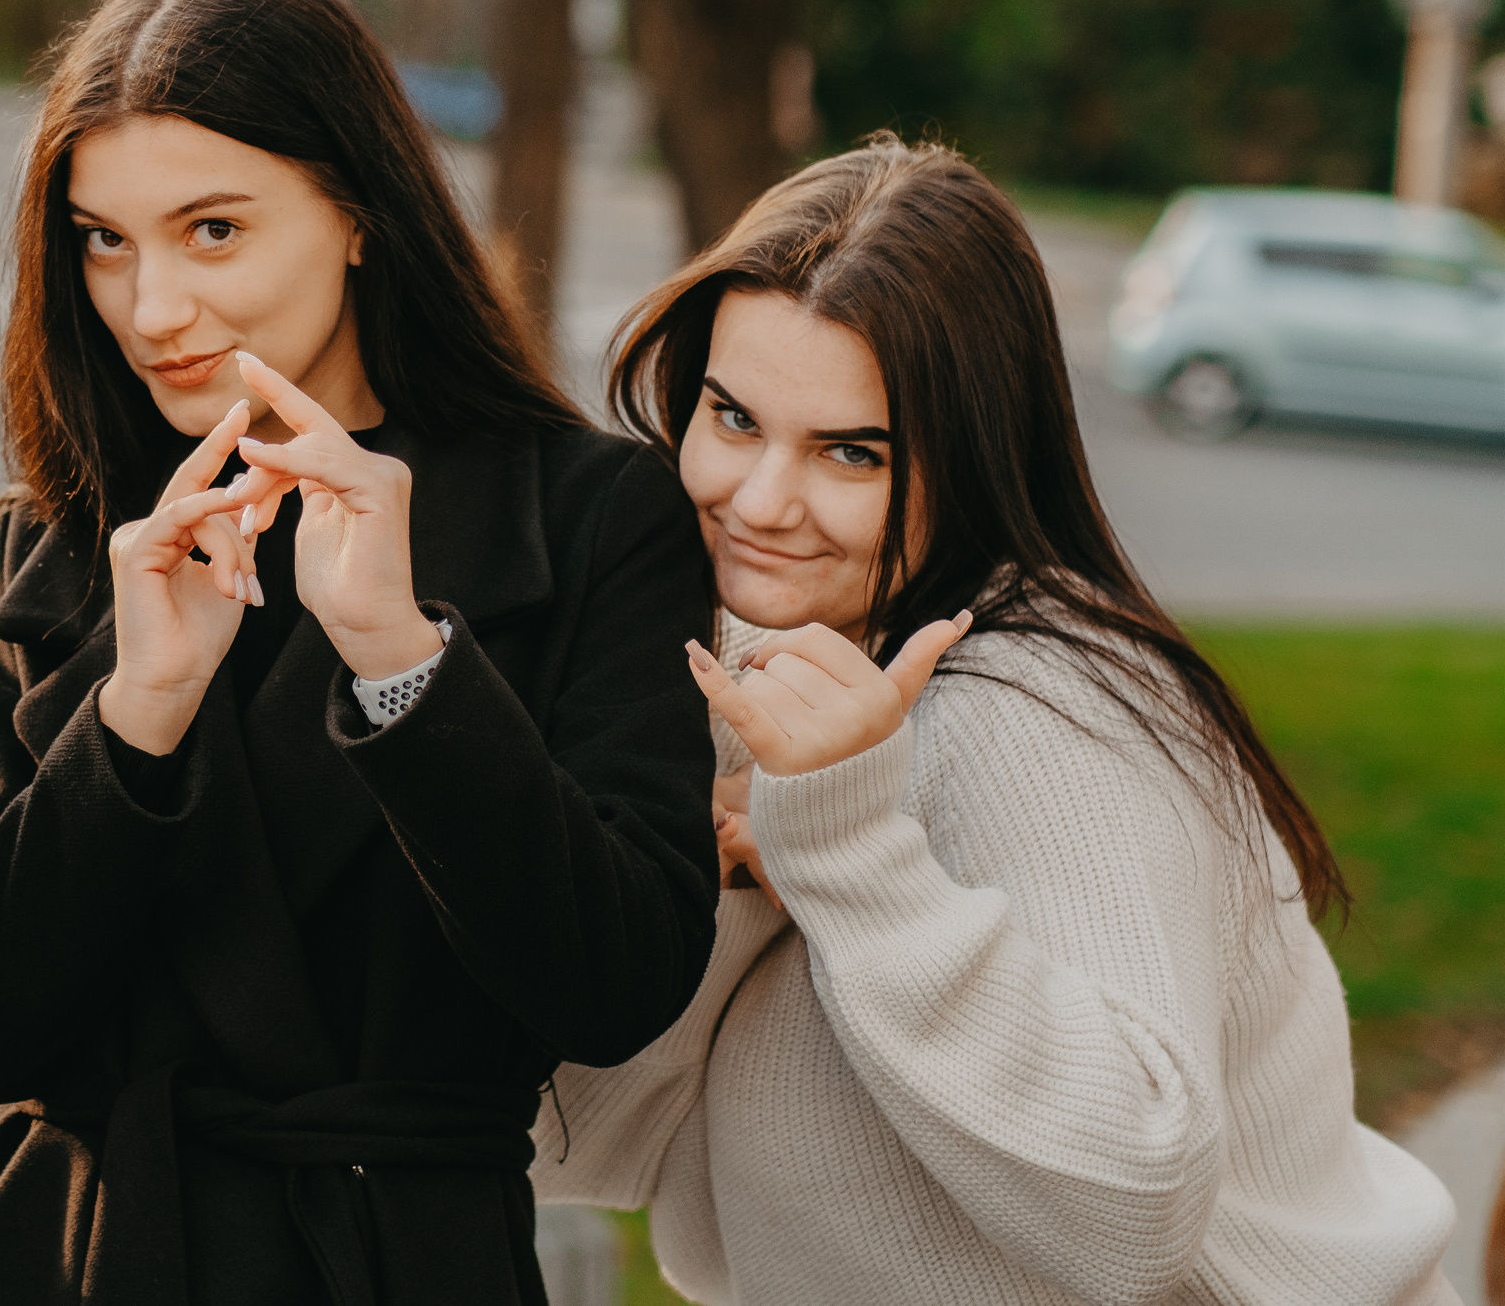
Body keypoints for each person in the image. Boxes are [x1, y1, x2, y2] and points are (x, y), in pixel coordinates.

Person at [0, 0, 720, 1306]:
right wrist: (137, 714)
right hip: (59, 1252)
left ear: (357, 210)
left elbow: (613, 980)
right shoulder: (54, 538)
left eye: (213, 230)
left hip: (394, 1255)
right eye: (105, 240)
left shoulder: (588, 515)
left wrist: (403, 658)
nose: (152, 309)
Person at [531, 136, 1457, 1304]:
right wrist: (709, 871)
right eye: (731, 417)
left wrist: (851, 855)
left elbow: (1134, 1210)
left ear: (972, 457)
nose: (758, 501)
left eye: (851, 453)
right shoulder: (771, 678)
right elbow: (580, 1147)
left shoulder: (1045, 710)